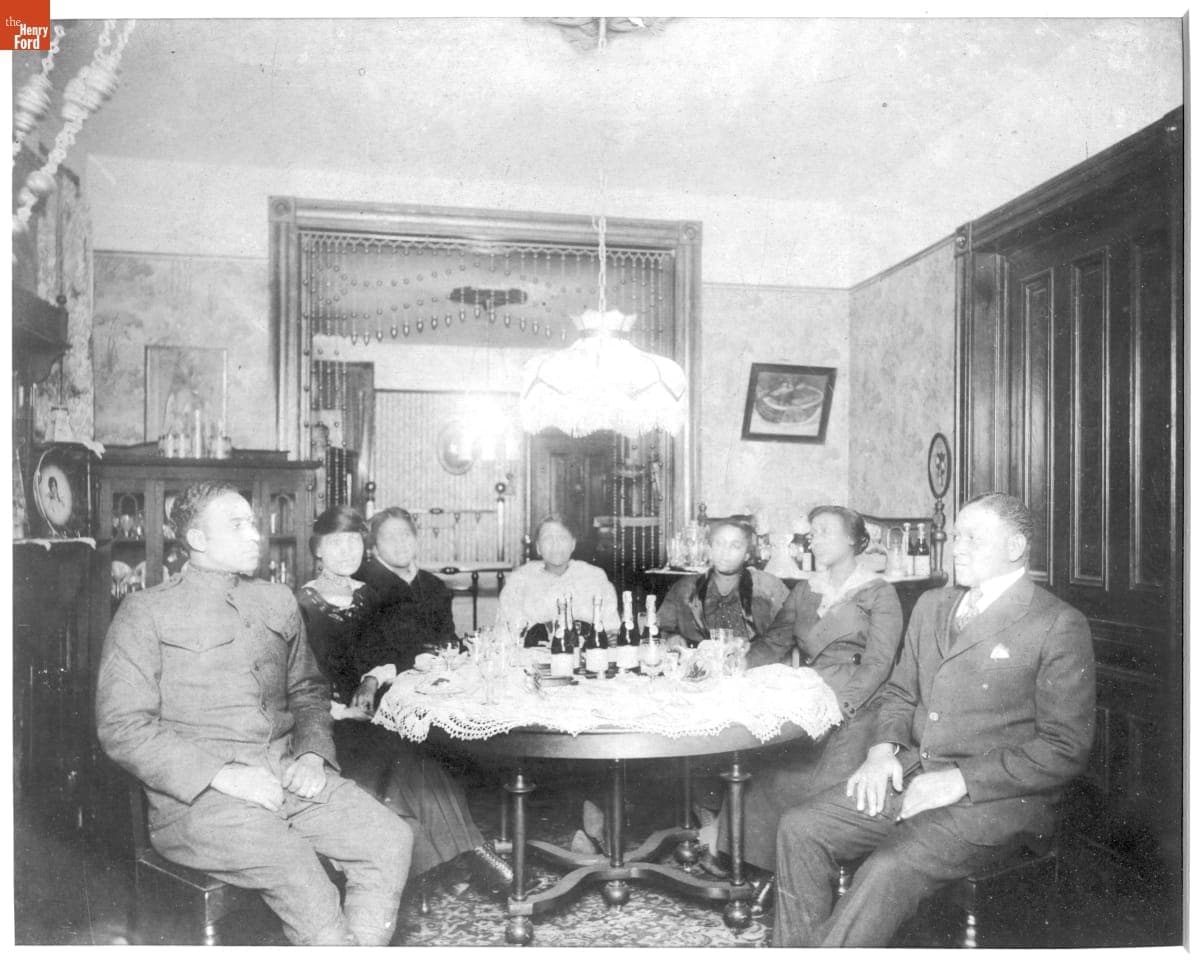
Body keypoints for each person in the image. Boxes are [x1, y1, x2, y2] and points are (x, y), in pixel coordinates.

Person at [96, 482, 413, 946]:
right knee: (304, 878)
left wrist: (312, 756)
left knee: (389, 839)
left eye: (253, 523)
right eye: (237, 525)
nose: (255, 535)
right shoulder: (146, 612)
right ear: (197, 539)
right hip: (200, 804)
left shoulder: (277, 599)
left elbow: (308, 690)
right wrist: (224, 775)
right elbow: (122, 726)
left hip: (287, 778)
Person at [773, 492, 1096, 947]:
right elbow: (901, 693)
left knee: (887, 867)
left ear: (1016, 547)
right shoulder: (931, 605)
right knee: (800, 826)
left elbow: (1065, 749)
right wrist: (881, 751)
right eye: (956, 536)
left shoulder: (1057, 623)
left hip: (996, 802)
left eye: (972, 539)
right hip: (912, 773)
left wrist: (960, 780)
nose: (956, 548)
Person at [298, 505, 512, 891]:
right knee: (404, 758)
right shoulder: (302, 602)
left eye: (352, 542)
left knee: (419, 757)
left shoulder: (366, 595)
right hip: (328, 721)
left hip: (371, 710)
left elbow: (385, 656)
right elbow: (300, 681)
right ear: (318, 550)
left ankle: (466, 857)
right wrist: (341, 709)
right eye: (335, 543)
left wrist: (369, 680)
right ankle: (467, 857)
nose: (346, 551)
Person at [718, 506, 902, 907]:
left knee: (816, 787)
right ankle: (770, 872)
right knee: (765, 770)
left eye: (824, 532)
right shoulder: (806, 589)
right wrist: (739, 662)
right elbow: (775, 642)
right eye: (812, 533)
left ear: (853, 540)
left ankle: (802, 881)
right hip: (810, 698)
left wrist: (845, 705)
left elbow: (879, 663)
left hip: (859, 705)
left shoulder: (878, 592)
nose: (814, 539)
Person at [352, 507, 456, 674]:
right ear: (374, 547)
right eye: (389, 538)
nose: (400, 544)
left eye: (406, 535)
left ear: (416, 539)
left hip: (437, 680)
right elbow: (363, 656)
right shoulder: (360, 586)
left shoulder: (434, 585)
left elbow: (447, 639)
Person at [658, 519, 788, 649]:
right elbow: (660, 627)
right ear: (710, 548)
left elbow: (789, 630)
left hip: (753, 664)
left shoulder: (767, 586)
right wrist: (672, 638)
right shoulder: (685, 588)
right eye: (719, 543)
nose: (725, 551)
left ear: (747, 555)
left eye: (735, 546)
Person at [496, 514, 620, 637]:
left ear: (573, 544)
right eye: (547, 539)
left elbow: (611, 630)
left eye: (562, 538)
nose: (555, 544)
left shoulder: (594, 577)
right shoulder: (519, 580)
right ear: (538, 547)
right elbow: (508, 631)